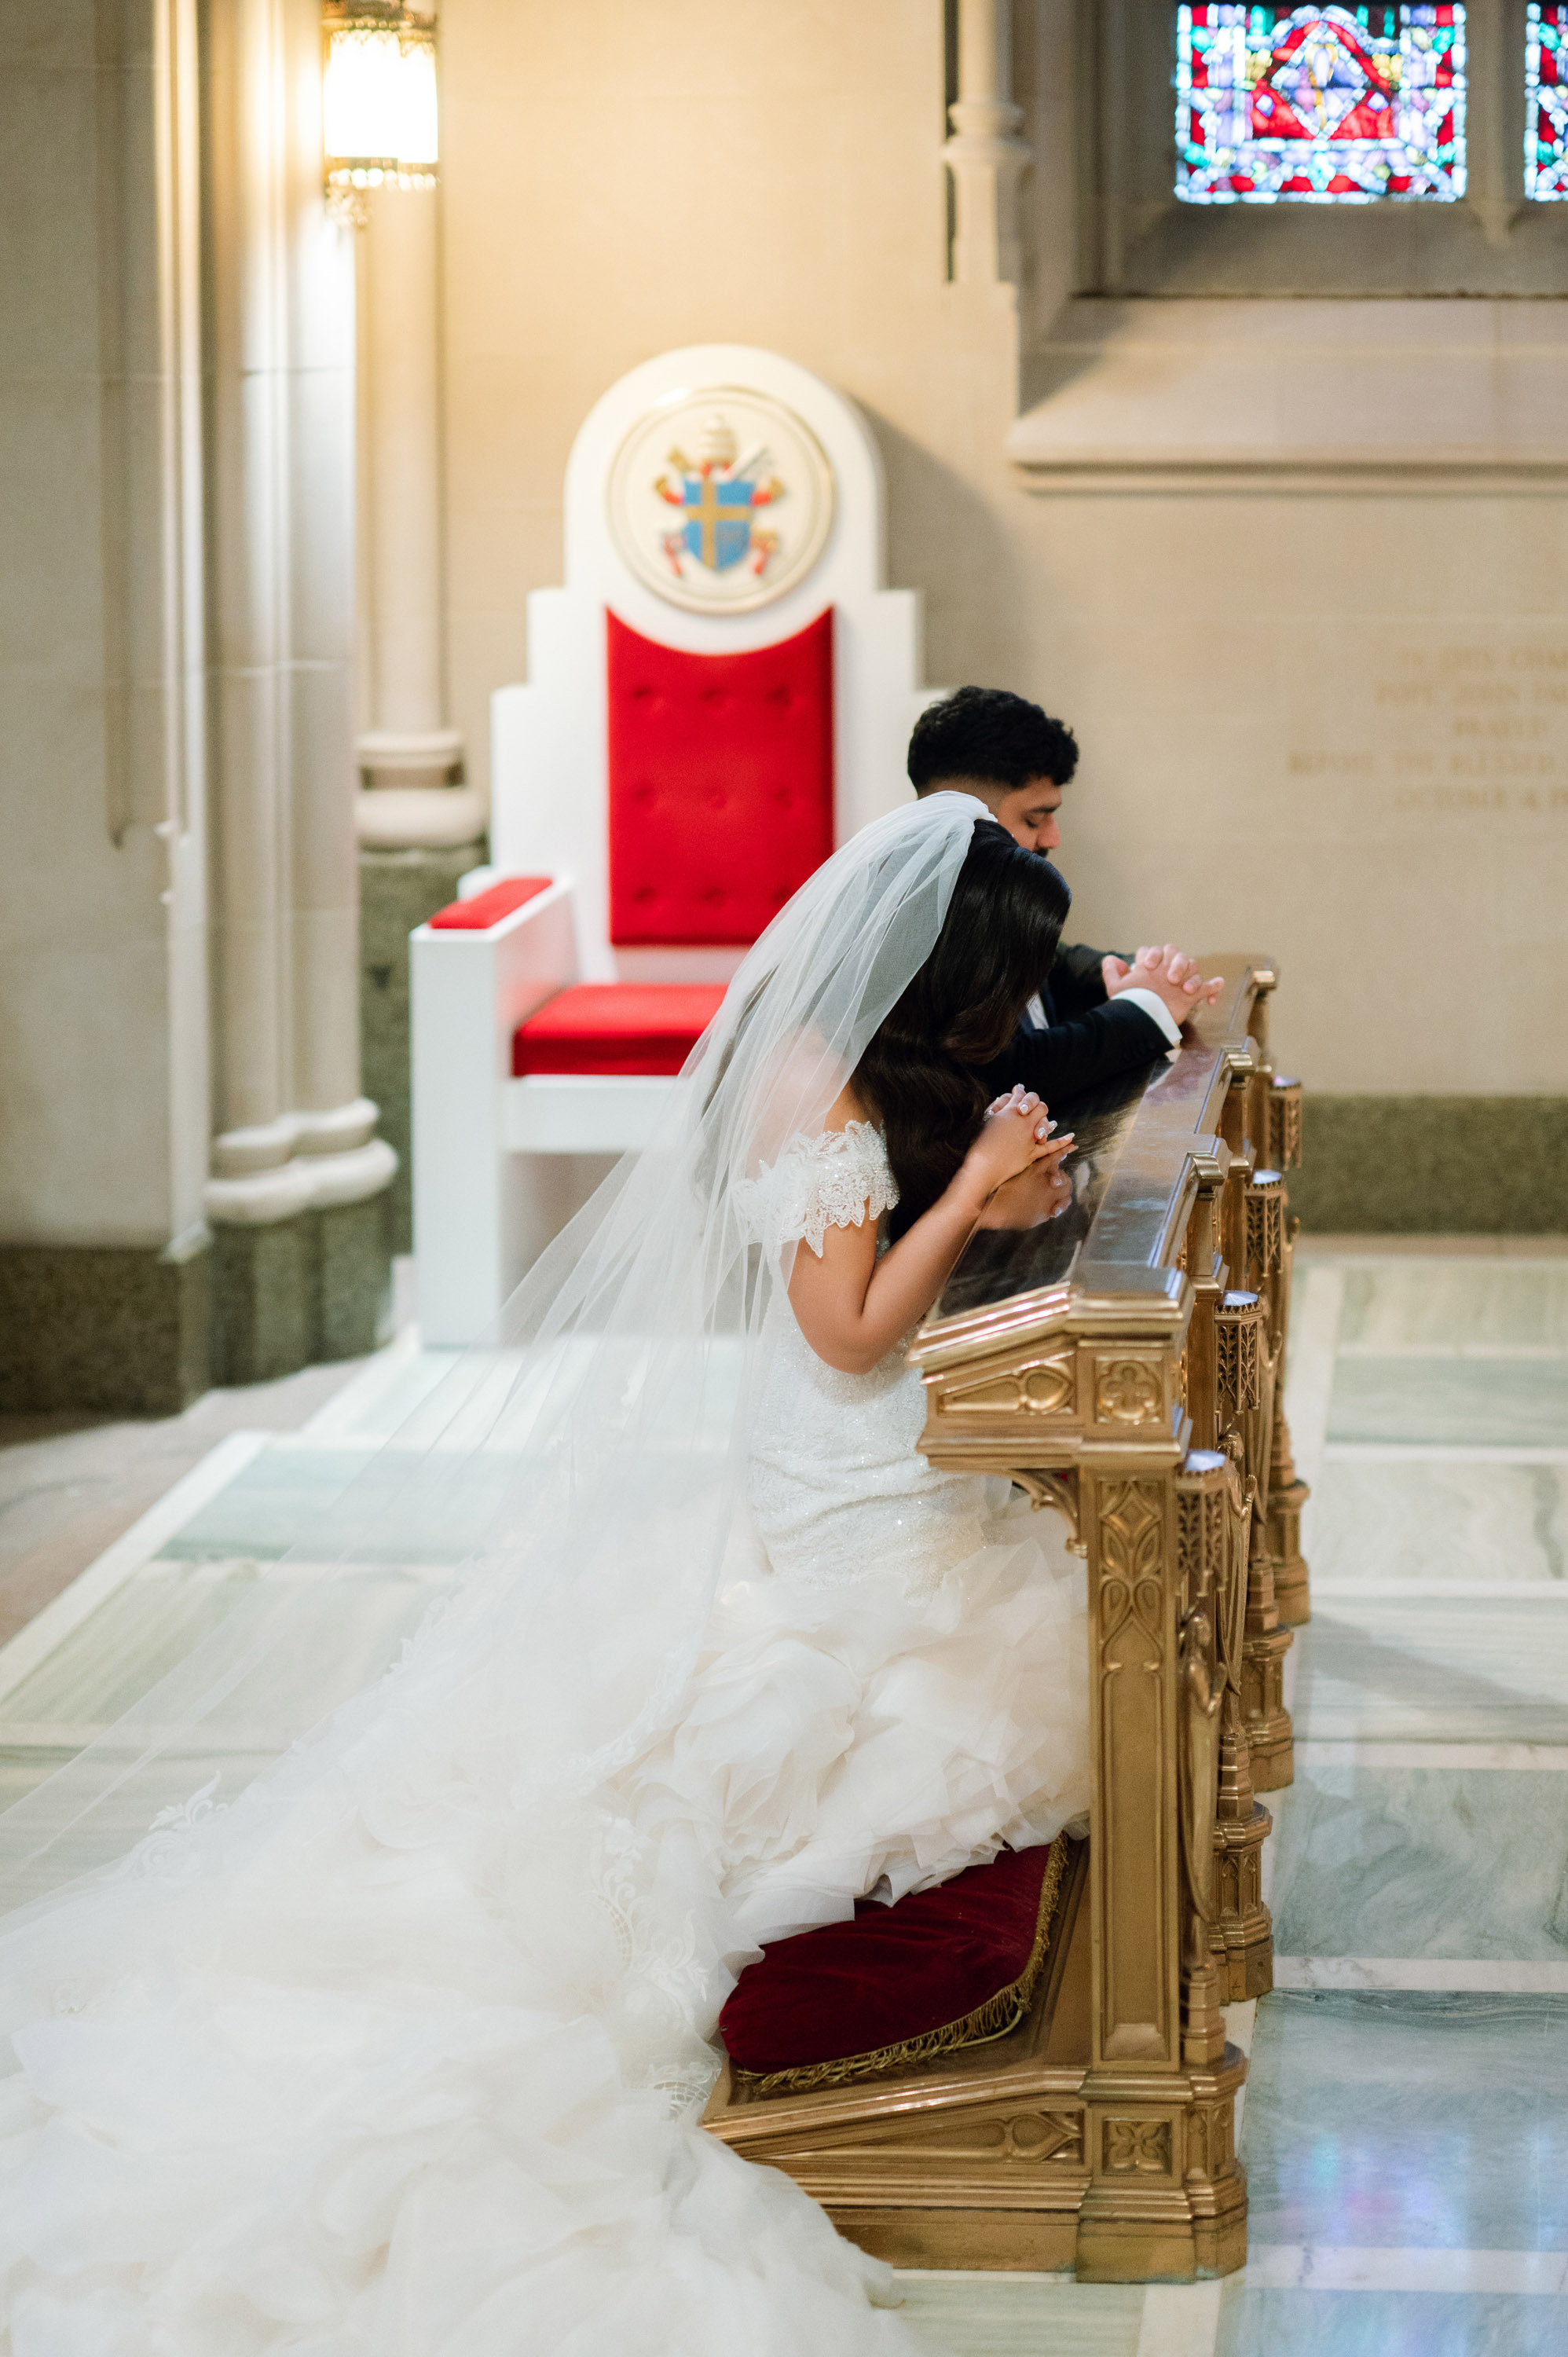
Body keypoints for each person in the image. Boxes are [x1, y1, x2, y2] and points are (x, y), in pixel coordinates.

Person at [0, 796, 1091, 2354]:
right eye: (995, 986)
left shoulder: (860, 1067)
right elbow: (847, 1328)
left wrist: (994, 1191)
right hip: (840, 1447)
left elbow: (862, 1287)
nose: (1001, 1018)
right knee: (929, 1680)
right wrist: (976, 1195)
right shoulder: (813, 1091)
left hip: (841, 1439)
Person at [908, 686, 1224, 1104]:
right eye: (1035, 819)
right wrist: (1147, 1007)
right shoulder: (926, 925)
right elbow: (1008, 1072)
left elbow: (1059, 966)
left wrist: (1150, 972)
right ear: (964, 815)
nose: (1054, 837)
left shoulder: (993, 910)